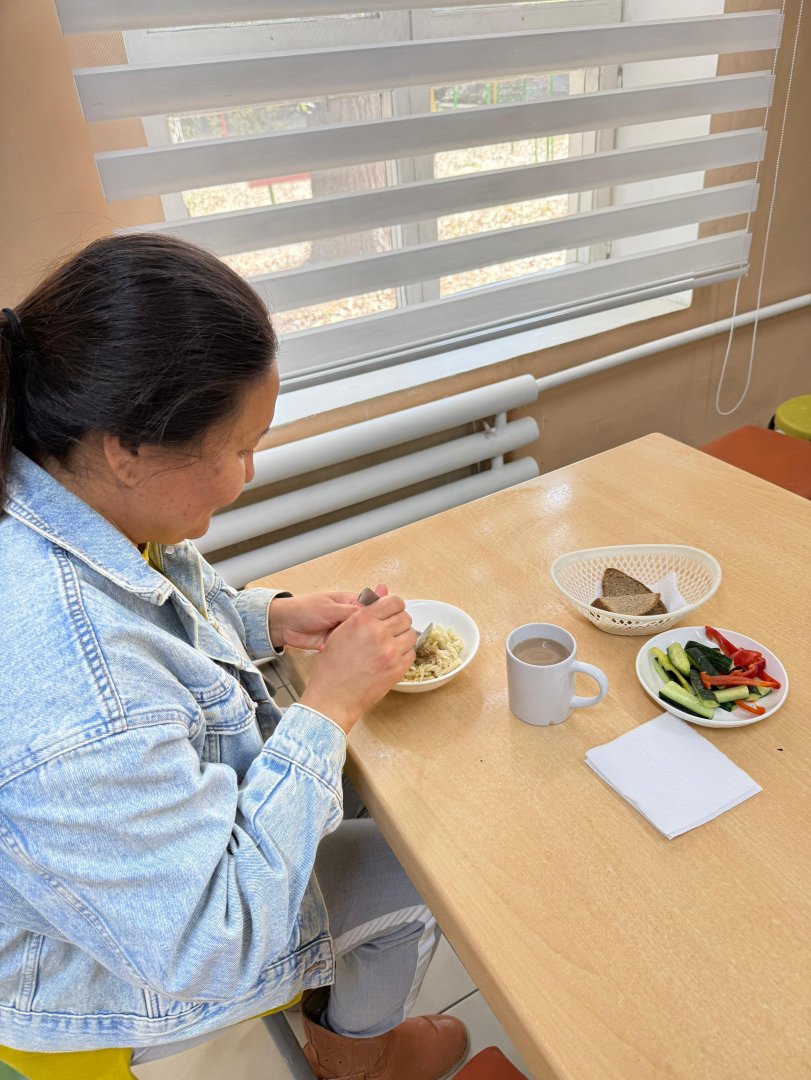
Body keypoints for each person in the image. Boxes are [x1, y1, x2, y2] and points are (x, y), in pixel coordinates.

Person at [0, 234, 468, 1080]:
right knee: (428, 868)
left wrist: (270, 619)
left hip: (125, 888)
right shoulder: (76, 690)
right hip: (97, 981)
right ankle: (358, 1058)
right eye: (241, 446)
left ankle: (337, 1006)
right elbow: (214, 942)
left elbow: (161, 603)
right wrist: (328, 708)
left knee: (377, 793)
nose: (249, 473)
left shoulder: (61, 485)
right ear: (127, 448)